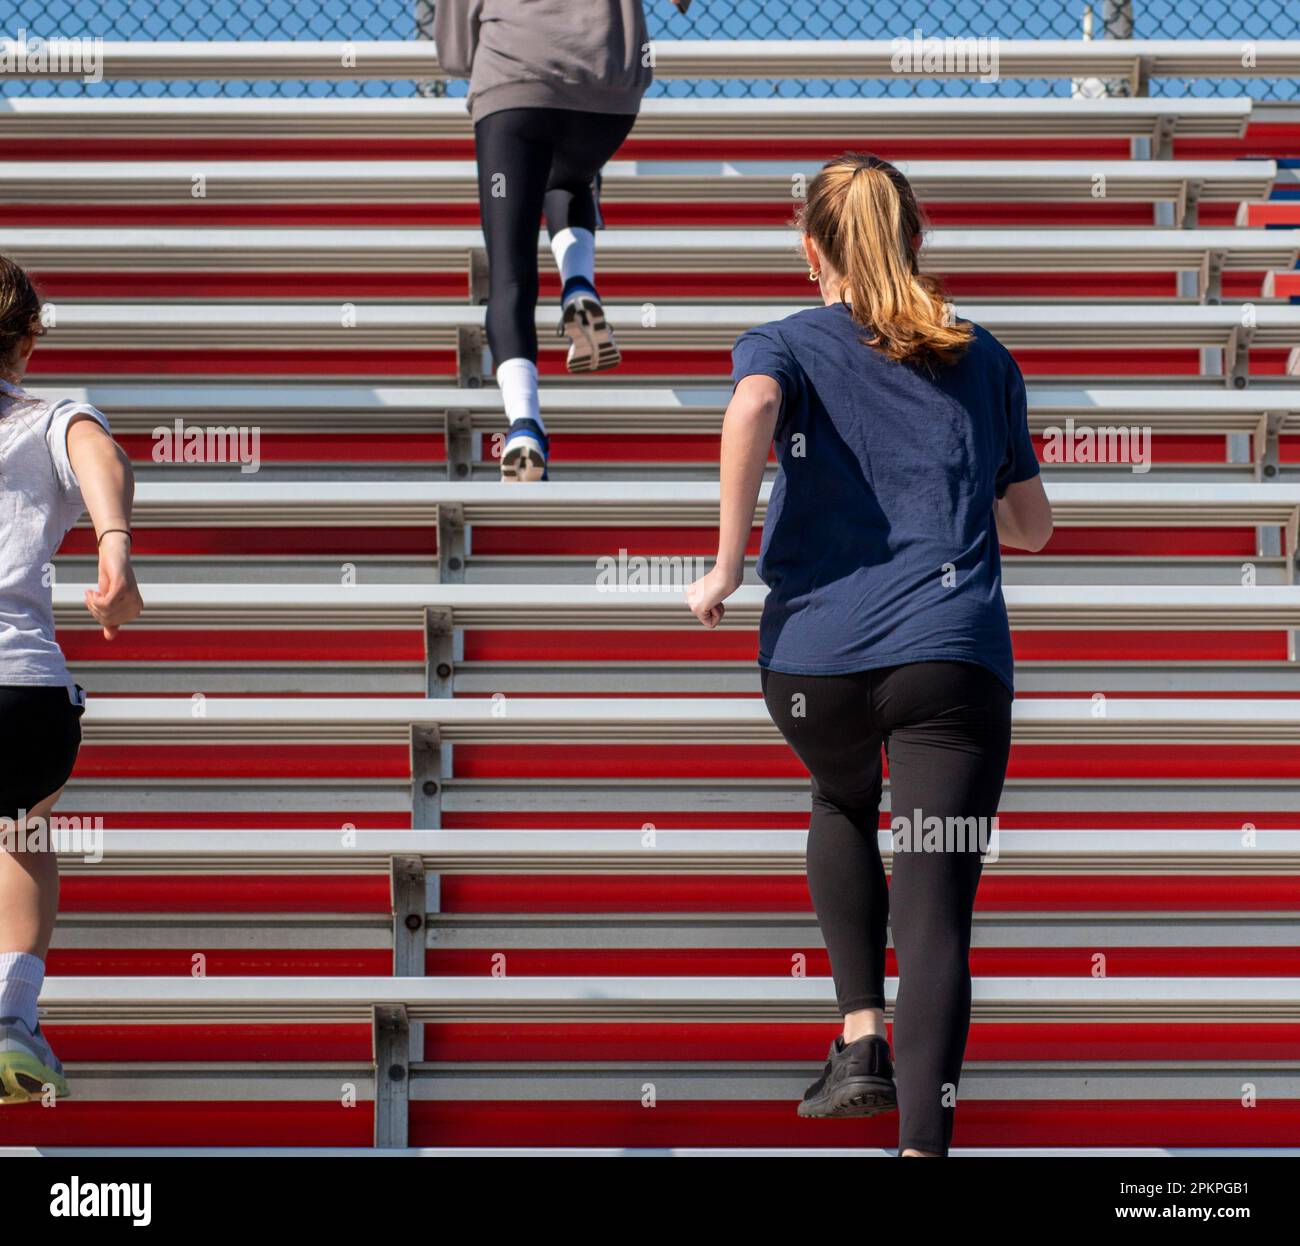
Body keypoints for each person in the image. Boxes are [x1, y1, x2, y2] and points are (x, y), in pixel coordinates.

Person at [685, 153, 1053, 1157]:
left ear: (811, 251)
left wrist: (722, 567)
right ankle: (922, 1147)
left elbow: (752, 407)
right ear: (917, 240)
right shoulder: (981, 356)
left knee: (842, 797)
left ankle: (857, 1036)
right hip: (947, 661)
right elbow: (1033, 525)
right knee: (934, 910)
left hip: (816, 663)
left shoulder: (784, 342)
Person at [435, 0, 689, 482]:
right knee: (569, 175)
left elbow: (454, 50)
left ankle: (525, 426)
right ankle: (579, 284)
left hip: (514, 80)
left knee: (510, 273)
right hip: (606, 89)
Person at [0, 255, 142, 1103]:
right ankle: (13, 1016)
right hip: (21, 692)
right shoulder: (47, 415)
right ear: (25, 343)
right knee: (22, 832)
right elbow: (97, 452)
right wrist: (113, 545)